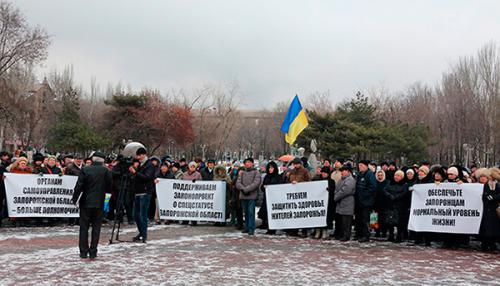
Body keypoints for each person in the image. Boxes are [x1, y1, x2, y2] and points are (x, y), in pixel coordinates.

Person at [72, 152, 112, 259]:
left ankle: (83, 251)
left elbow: (79, 186)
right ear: (102, 160)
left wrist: (74, 199)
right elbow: (109, 187)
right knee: (96, 228)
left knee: (84, 228)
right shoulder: (106, 171)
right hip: (99, 202)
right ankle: (93, 251)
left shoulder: (85, 169)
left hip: (85, 202)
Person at [129, 147, 155, 243]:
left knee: (143, 215)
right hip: (137, 192)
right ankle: (141, 232)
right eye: (137, 155)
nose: (138, 157)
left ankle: (144, 235)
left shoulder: (149, 165)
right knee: (135, 215)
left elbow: (147, 177)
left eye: (139, 155)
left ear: (144, 155)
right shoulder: (141, 165)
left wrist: (135, 172)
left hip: (145, 192)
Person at [476, 168, 500, 251]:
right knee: (483, 228)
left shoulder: (494, 185)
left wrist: (494, 197)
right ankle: (484, 243)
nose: (482, 178)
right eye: (481, 177)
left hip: (492, 210)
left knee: (492, 228)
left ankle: (492, 243)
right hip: (481, 211)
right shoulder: (476, 186)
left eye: (484, 176)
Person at [236, 158, 261, 236]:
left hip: (252, 196)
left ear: (252, 163)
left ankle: (251, 228)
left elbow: (256, 183)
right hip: (243, 195)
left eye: (249, 162)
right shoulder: (242, 173)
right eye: (246, 162)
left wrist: (247, 189)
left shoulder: (256, 172)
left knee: (251, 212)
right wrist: (243, 189)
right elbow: (238, 183)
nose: (247, 164)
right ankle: (246, 227)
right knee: (245, 212)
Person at [258, 161, 283, 235]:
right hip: (267, 198)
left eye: (271, 168)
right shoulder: (266, 176)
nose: (270, 169)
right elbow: (262, 187)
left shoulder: (278, 177)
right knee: (267, 213)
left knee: (273, 213)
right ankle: (268, 227)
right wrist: (264, 187)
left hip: (275, 199)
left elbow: (280, 186)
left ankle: (273, 228)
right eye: (269, 168)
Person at [354, 160, 376, 242]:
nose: (359, 167)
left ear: (366, 166)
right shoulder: (359, 175)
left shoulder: (370, 175)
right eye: (359, 165)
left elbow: (372, 188)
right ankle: (359, 234)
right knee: (358, 219)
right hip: (359, 201)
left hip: (366, 201)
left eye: (361, 165)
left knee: (365, 219)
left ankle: (366, 235)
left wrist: (363, 195)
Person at [334, 164, 356, 241]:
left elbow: (345, 191)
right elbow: (337, 189)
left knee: (346, 221)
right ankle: (341, 234)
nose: (341, 173)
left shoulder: (350, 180)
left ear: (348, 171)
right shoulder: (341, 179)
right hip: (341, 204)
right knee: (341, 221)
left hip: (347, 203)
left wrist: (335, 197)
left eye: (343, 171)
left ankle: (346, 236)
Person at [313, 166, 335, 239]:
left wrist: (328, 190)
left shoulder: (331, 181)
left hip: (328, 203)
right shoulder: (317, 181)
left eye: (325, 173)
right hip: (319, 203)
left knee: (326, 217)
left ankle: (324, 231)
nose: (323, 174)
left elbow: (333, 192)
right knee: (318, 216)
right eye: (322, 172)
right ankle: (317, 231)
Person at [181, 161, 202, 225]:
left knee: (193, 206)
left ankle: (194, 220)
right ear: (189, 167)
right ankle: (185, 220)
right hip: (186, 193)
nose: (192, 168)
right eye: (191, 166)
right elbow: (180, 182)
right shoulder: (184, 174)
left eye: (194, 167)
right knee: (185, 206)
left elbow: (202, 183)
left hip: (194, 194)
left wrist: (196, 182)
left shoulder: (198, 174)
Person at [374, 169, 389, 238]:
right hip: (375, 203)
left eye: (381, 175)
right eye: (378, 175)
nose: (380, 176)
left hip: (384, 203)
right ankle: (376, 231)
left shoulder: (387, 182)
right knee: (375, 218)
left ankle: (384, 232)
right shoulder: (374, 182)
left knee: (383, 219)